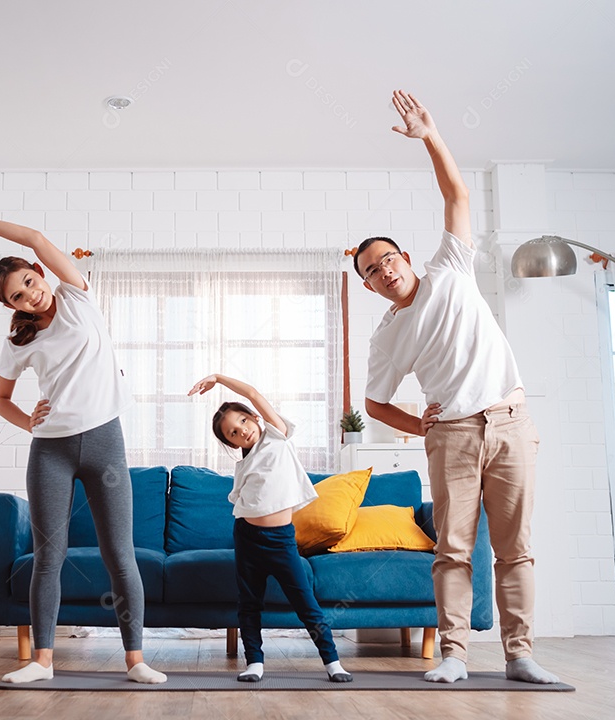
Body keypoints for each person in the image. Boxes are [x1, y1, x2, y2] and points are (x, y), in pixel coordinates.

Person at [355, 91, 559, 685]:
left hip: (511, 422)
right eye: (371, 271)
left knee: (516, 549)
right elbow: (372, 403)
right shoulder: (387, 336)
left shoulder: (450, 267)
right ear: (368, 286)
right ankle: (454, 656)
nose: (384, 271)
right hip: (452, 437)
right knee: (453, 549)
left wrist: (430, 136)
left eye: (387, 259)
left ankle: (520, 656)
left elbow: (457, 195)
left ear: (404, 257)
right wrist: (418, 424)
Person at [0, 212, 167, 685]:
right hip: (50, 452)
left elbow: (35, 237)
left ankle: (136, 660)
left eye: (29, 282)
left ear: (40, 273)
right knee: (48, 556)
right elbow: (0, 399)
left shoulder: (77, 295)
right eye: (17, 296)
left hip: (105, 443)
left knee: (119, 554)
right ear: (10, 305)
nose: (30, 294)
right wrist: (29, 421)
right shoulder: (19, 340)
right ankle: (41, 661)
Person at [188, 373, 352, 684]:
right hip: (248, 538)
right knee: (249, 604)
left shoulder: (277, 436)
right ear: (231, 442)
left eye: (243, 422)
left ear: (254, 416)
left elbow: (252, 392)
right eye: (233, 433)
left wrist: (218, 378)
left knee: (305, 602)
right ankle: (254, 662)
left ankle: (332, 661)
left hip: (280, 540)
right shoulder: (243, 465)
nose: (242, 431)